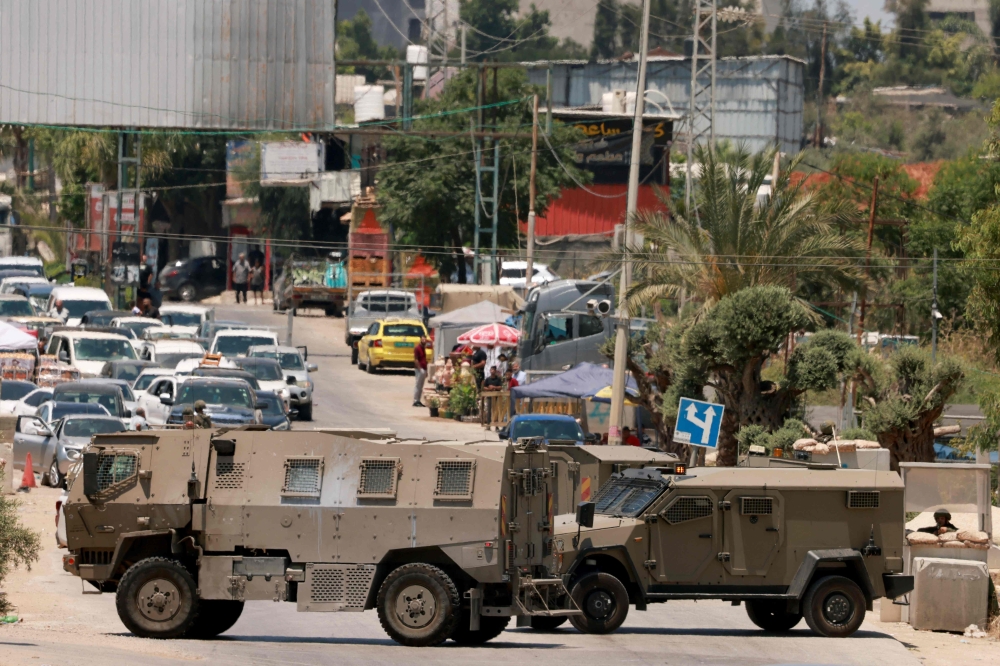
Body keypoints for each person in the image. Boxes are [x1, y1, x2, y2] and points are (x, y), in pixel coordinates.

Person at [413, 335, 428, 407]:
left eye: (425, 340)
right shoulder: (417, 348)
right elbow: (416, 359)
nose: (424, 341)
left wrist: (426, 370)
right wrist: (420, 369)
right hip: (419, 370)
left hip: (424, 369)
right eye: (423, 340)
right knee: (417, 385)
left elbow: (424, 359)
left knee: (421, 386)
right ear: (420, 340)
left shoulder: (423, 348)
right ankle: (415, 400)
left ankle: (419, 400)